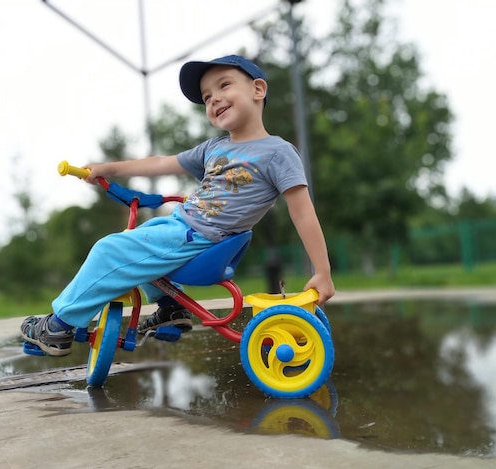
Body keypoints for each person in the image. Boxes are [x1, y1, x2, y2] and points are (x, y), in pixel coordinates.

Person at [21, 54, 335, 356]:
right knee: (142, 239)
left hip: (198, 238)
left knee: (109, 250)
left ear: (257, 89)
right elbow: (161, 163)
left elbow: (302, 210)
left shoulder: (277, 152)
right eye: (206, 96)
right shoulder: (215, 146)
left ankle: (59, 326)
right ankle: (171, 309)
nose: (213, 99)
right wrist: (109, 168)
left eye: (224, 86)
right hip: (182, 228)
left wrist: (322, 271)